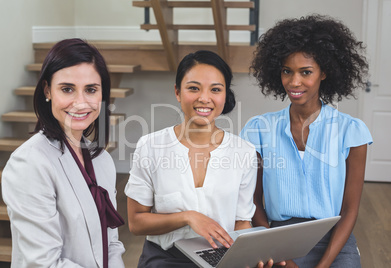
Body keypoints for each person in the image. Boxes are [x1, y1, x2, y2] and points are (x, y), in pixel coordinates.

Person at [125, 50, 285, 268]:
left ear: (224, 95)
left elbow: (241, 222)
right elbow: (136, 223)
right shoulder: (150, 147)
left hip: (222, 258)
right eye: (193, 88)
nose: (204, 98)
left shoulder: (244, 152)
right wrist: (188, 217)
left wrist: (249, 256)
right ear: (177, 92)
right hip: (164, 259)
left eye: (215, 90)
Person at [240, 15, 372, 268]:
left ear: (325, 73)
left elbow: (350, 209)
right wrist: (278, 254)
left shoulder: (351, 131)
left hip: (334, 238)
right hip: (277, 238)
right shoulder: (259, 129)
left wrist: (323, 266)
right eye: (287, 71)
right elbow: (253, 201)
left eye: (306, 72)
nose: (294, 82)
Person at [2, 38, 125, 267]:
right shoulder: (29, 163)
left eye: (91, 90)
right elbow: (43, 263)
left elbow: (112, 243)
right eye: (67, 89)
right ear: (47, 90)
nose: (80, 103)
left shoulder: (103, 161)